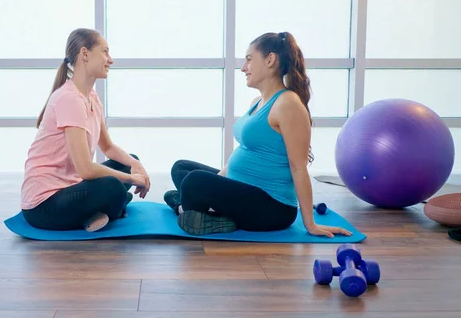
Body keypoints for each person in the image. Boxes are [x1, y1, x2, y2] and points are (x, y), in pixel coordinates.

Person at [164, 32, 352, 239]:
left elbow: (298, 167)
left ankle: (192, 209)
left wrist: (310, 223)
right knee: (181, 168)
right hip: (243, 188)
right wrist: (214, 185)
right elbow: (244, 150)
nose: (244, 68)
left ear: (270, 60)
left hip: (271, 207)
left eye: (249, 59)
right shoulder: (256, 102)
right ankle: (196, 208)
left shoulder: (288, 104)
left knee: (193, 182)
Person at [20, 28, 151, 233]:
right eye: (105, 52)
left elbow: (107, 147)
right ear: (85, 54)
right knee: (114, 187)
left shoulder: (91, 97)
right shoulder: (69, 98)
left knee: (126, 163)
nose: (111, 59)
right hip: (44, 205)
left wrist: (136, 165)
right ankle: (108, 208)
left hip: (71, 188)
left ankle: (104, 210)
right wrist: (132, 180)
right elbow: (85, 169)